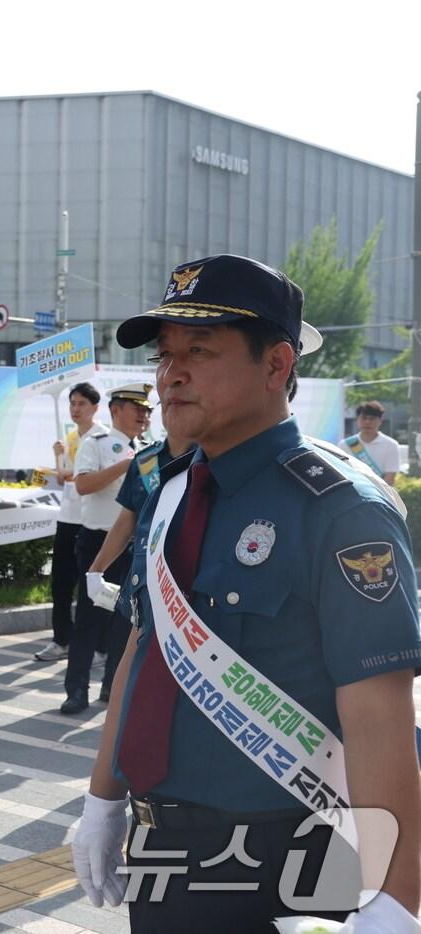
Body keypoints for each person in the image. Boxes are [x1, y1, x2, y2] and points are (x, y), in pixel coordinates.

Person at [72, 255, 421, 932]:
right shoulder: (170, 495)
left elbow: (380, 712)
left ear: (276, 364)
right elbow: (144, 648)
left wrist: (393, 897)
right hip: (161, 840)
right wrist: (103, 799)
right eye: (165, 354)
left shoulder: (339, 509)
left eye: (199, 351)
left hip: (287, 850)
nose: (171, 374)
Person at [60, 383, 151, 714]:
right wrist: (126, 466)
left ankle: (113, 685)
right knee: (89, 619)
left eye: (147, 410)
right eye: (137, 408)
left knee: (125, 621)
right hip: (98, 543)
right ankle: (76, 689)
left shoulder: (150, 449)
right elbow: (83, 484)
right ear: (115, 410)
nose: (144, 415)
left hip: (134, 547)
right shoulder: (95, 443)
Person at [84, 424, 194, 625]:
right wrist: (96, 569)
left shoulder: (212, 457)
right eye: (166, 406)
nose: (173, 410)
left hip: (190, 580)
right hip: (145, 577)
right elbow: (126, 520)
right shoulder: (145, 460)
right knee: (133, 638)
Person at [37, 382, 102, 662]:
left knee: (92, 586)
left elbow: (94, 478)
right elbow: (65, 477)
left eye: (81, 404)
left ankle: (99, 646)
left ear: (95, 408)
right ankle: (61, 640)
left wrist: (69, 473)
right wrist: (58, 460)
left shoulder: (102, 438)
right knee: (61, 583)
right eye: (72, 404)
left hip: (91, 520)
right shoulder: (70, 438)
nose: (76, 409)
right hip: (67, 517)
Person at [344, 400, 401, 486]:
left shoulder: (391, 445)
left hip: (379, 492)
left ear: (380, 420)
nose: (367, 422)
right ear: (357, 419)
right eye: (364, 418)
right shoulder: (345, 445)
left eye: (372, 418)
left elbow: (390, 478)